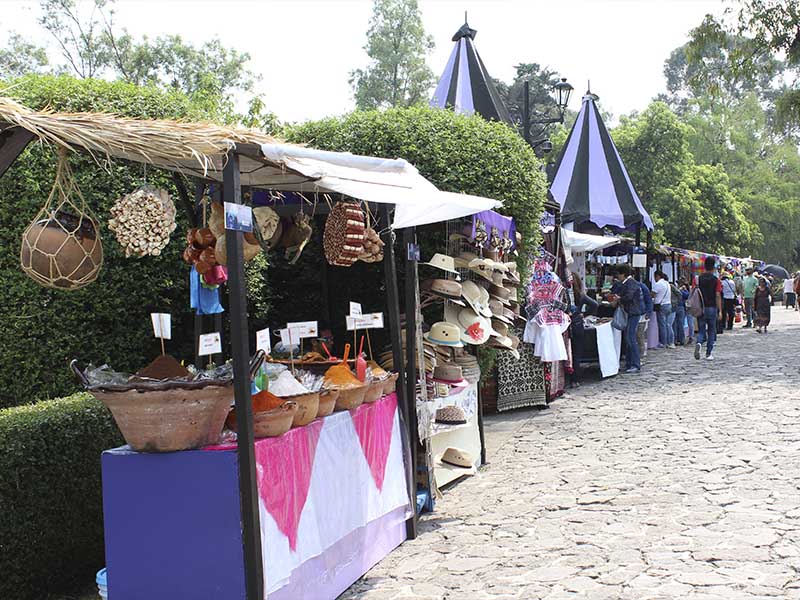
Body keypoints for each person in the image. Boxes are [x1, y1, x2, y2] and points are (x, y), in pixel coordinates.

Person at [568, 273, 599, 387]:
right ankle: (576, 379)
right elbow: (595, 305)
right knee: (577, 353)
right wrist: (584, 314)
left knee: (568, 352)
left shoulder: (565, 295)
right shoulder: (581, 295)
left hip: (567, 325)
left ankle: (569, 377)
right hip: (577, 325)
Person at [616, 265, 644, 373]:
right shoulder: (628, 283)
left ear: (623, 274)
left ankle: (635, 364)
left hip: (633, 312)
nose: (618, 277)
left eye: (618, 274)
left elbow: (629, 297)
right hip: (631, 312)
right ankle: (629, 363)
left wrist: (619, 298)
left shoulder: (631, 283)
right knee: (628, 337)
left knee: (631, 338)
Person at [695, 256, 723, 361]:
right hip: (711, 307)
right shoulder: (716, 280)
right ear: (713, 267)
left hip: (700, 307)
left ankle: (699, 342)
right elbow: (717, 295)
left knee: (701, 330)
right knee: (711, 330)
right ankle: (708, 353)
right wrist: (720, 310)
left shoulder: (697, 279)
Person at [652, 271, 674, 348]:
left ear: (657, 276)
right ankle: (670, 342)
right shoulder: (667, 283)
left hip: (661, 306)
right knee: (668, 325)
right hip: (668, 304)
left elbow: (652, 294)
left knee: (662, 325)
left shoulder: (658, 284)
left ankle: (663, 342)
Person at [637, 276, 653, 361]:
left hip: (641, 315)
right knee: (639, 335)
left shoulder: (641, 287)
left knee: (640, 335)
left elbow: (648, 299)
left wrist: (648, 312)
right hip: (639, 314)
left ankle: (641, 354)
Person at [671, 278, 686, 345]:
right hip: (680, 307)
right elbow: (686, 295)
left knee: (675, 324)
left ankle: (675, 339)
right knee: (680, 324)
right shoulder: (680, 290)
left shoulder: (674, 290)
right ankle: (681, 340)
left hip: (675, 307)